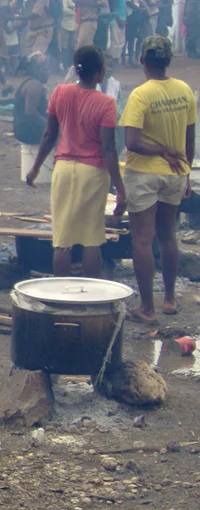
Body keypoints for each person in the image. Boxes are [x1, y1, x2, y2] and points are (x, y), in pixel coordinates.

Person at [26, 45, 125, 277]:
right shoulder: (106, 103)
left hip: (62, 169)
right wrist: (120, 189)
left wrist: (35, 168)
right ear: (100, 73)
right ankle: (91, 294)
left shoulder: (60, 92)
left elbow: (49, 135)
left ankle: (61, 293)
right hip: (92, 172)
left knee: (62, 239)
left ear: (77, 70)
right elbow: (108, 149)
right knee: (92, 239)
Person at [119, 35, 195, 321]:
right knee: (168, 235)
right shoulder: (185, 90)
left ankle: (147, 308)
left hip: (144, 174)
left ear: (142, 61)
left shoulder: (141, 95)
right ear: (169, 61)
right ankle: (170, 299)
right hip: (175, 174)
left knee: (142, 240)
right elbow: (190, 136)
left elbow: (132, 142)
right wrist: (185, 171)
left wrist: (162, 150)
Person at [13, 52, 49, 146]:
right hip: (29, 131)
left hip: (26, 129)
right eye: (44, 68)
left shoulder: (31, 82)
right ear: (36, 69)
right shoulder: (34, 85)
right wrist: (50, 126)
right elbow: (31, 112)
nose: (47, 72)